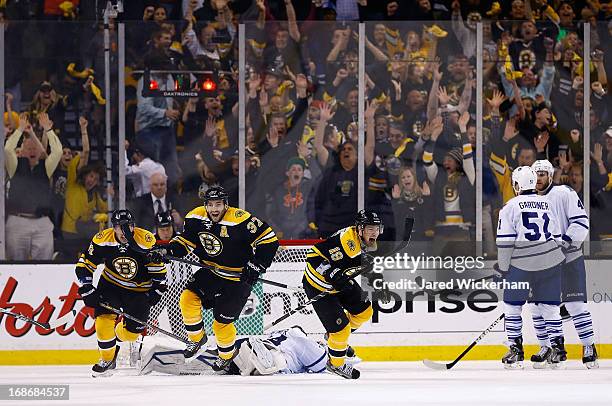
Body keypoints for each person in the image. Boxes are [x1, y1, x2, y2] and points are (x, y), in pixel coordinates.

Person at [150, 186, 279, 372]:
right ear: (205, 205)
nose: (214, 209)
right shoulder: (195, 217)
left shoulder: (240, 219)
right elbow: (185, 242)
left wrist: (257, 265)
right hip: (212, 272)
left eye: (218, 204)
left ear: (226, 204)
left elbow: (269, 240)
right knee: (187, 298)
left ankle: (226, 355)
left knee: (221, 324)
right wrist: (167, 251)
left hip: (238, 278)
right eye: (210, 205)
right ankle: (197, 339)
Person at [75, 209, 167, 377]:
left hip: (139, 290)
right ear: (113, 228)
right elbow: (85, 264)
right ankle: (107, 360)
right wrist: (87, 287)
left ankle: (117, 335)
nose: (124, 231)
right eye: (120, 227)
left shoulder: (145, 240)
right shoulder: (102, 240)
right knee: (103, 322)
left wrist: (157, 290)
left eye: (129, 226)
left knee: (132, 334)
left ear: (134, 226)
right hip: (111, 285)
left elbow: (159, 271)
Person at [496, 166, 566, 369]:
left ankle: (516, 350)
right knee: (550, 308)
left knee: (511, 306)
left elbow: (505, 242)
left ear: (517, 185)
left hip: (523, 264)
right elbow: (557, 237)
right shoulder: (547, 203)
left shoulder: (510, 207)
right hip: (550, 262)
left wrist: (503, 268)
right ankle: (558, 350)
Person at [302, 209, 386, 379]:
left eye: (376, 229)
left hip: (340, 282)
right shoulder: (346, 242)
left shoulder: (363, 241)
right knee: (341, 331)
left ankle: (332, 338)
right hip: (319, 285)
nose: (374, 233)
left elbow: (360, 265)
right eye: (370, 229)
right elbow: (313, 256)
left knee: (365, 312)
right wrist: (331, 274)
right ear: (360, 229)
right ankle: (336, 364)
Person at [529, 160, 597, 369]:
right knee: (536, 306)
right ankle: (547, 346)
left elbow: (581, 223)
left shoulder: (564, 193)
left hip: (569, 259)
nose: (539, 179)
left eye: (542, 174)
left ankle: (588, 346)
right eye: (535, 175)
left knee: (576, 305)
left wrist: (564, 245)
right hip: (542, 263)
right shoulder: (527, 200)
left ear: (550, 176)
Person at [139, 326, 337, 376]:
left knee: (206, 362)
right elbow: (322, 365)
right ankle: (263, 360)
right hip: (273, 356)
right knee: (279, 362)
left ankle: (153, 355)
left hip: (244, 346)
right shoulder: (302, 340)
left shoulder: (287, 334)